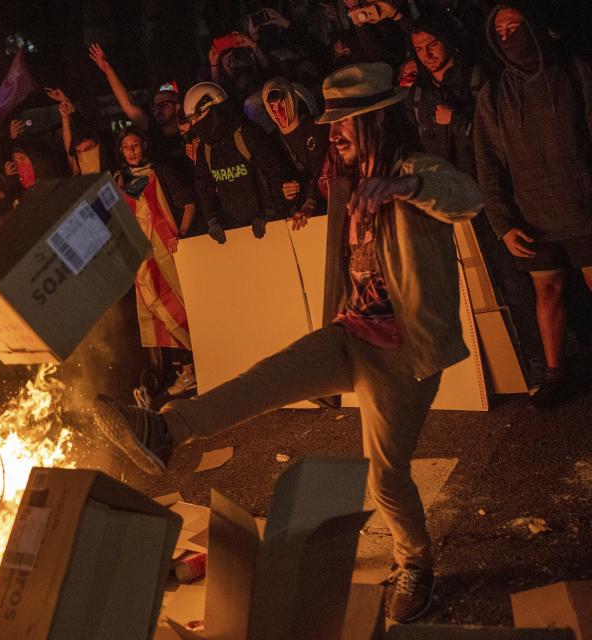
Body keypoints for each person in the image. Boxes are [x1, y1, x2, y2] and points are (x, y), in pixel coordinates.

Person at [94, 63, 482, 624]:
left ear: (374, 122)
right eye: (331, 126)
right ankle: (165, 430)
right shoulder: (345, 177)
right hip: (352, 333)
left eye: (344, 125)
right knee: (265, 380)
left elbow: (465, 198)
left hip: (405, 352)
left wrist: (404, 185)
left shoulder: (413, 169)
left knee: (387, 475)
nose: (334, 135)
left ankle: (415, 563)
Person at [474, 2, 592, 407]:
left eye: (515, 27)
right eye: (500, 32)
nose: (509, 38)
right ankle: (555, 373)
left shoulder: (576, 71)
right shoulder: (493, 94)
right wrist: (502, 223)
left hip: (583, 208)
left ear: (536, 26)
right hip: (531, 216)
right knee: (547, 292)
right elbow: (487, 164)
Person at [115, 127, 196, 396]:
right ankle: (185, 370)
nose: (131, 151)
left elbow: (188, 203)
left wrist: (181, 235)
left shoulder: (159, 171)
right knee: (159, 317)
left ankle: (200, 359)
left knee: (179, 307)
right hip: (141, 260)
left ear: (144, 146)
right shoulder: (120, 180)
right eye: (126, 147)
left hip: (167, 252)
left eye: (135, 145)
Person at [183, 82, 294, 244]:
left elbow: (276, 172)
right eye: (191, 121)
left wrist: (270, 213)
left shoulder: (248, 133)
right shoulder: (205, 149)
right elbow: (204, 188)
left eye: (198, 117)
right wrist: (213, 221)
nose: (194, 125)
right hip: (236, 233)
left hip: (272, 226)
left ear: (215, 108)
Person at [88, 43, 186, 167]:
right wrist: (108, 70)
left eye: (164, 103)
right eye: (155, 105)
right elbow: (128, 105)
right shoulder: (153, 129)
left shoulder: (190, 131)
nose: (158, 108)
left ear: (178, 107)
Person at [407, 18, 477, 176]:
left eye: (432, 45)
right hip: (444, 193)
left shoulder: (476, 80)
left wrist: (456, 119)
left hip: (480, 190)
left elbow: (498, 140)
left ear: (447, 42)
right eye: (419, 49)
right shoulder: (417, 96)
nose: (427, 55)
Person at [261, 77, 331, 227]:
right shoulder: (271, 141)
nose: (278, 111)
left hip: (327, 210)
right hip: (299, 220)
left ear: (293, 100)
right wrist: (284, 190)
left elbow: (323, 168)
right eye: (272, 107)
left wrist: (311, 202)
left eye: (282, 104)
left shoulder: (318, 127)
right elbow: (272, 178)